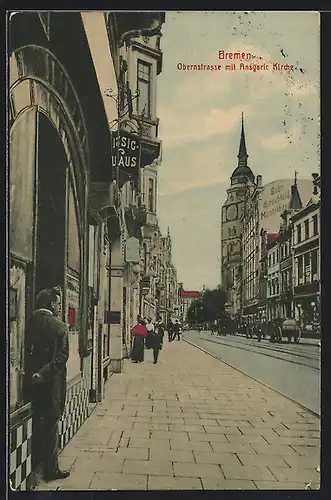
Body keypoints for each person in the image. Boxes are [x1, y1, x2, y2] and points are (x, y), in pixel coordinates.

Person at [24, 287, 70, 482]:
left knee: (37, 423)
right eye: (59, 303)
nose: (60, 307)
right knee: (51, 426)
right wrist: (42, 374)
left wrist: (33, 374)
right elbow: (61, 358)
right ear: (52, 304)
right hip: (51, 385)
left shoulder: (29, 323)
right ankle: (51, 470)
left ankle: (34, 462)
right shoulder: (60, 327)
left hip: (30, 385)